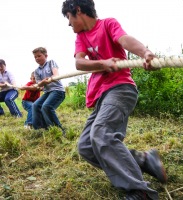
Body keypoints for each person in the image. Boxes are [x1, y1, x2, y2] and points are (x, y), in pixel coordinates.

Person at [61, 1, 167, 200]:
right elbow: (79, 62)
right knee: (85, 146)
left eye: (68, 18)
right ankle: (143, 160)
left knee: (101, 133)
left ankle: (141, 191)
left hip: (120, 88)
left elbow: (125, 39)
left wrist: (145, 52)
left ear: (77, 10)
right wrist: (103, 63)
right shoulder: (81, 36)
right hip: (101, 96)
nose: (69, 24)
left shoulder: (107, 24)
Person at [32, 47, 66, 135]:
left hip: (57, 91)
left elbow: (56, 75)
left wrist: (51, 79)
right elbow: (39, 84)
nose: (37, 58)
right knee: (35, 105)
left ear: (46, 55)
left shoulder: (51, 63)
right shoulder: (36, 71)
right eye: (35, 57)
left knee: (46, 106)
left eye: (39, 56)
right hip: (47, 92)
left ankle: (58, 130)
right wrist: (43, 82)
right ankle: (41, 129)